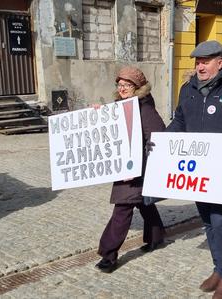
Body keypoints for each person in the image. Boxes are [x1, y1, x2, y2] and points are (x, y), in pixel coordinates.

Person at [164, 40, 222, 299]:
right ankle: (219, 268)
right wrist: (163, 141)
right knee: (206, 219)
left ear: (220, 61)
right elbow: (180, 121)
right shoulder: (188, 89)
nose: (200, 66)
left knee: (221, 219)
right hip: (198, 169)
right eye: (197, 61)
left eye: (205, 61)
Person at [95, 66, 166, 273]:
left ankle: (108, 254)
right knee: (143, 203)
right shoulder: (121, 105)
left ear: (137, 87)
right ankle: (156, 236)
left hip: (137, 169)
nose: (122, 88)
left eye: (127, 85)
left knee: (122, 209)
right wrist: (98, 115)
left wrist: (143, 153)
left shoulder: (144, 108)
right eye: (120, 84)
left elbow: (158, 135)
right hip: (124, 167)